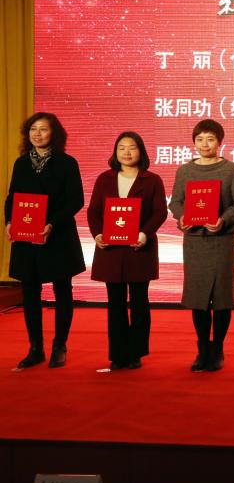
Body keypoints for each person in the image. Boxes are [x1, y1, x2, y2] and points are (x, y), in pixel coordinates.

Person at [3, 113, 85, 369]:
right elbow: (12, 197)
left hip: (57, 235)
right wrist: (9, 221)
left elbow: (76, 200)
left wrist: (52, 223)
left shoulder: (67, 163)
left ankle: (60, 345)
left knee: (62, 289)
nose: (37, 134)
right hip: (27, 236)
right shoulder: (21, 163)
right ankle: (35, 348)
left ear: (54, 133)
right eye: (33, 129)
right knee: (30, 291)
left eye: (43, 129)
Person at [168, 119, 234, 372]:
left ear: (220, 142)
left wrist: (223, 219)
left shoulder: (231, 170)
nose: (205, 144)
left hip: (222, 240)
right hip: (195, 242)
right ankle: (203, 348)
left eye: (210, 139)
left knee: (221, 297)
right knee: (199, 297)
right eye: (200, 139)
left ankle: (218, 348)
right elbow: (175, 202)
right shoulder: (185, 171)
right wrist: (182, 216)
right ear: (194, 142)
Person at [86, 131, 168, 370]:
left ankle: (136, 353)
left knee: (140, 302)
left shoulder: (151, 180)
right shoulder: (105, 179)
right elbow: (93, 211)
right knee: (115, 303)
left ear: (141, 151)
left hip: (139, 249)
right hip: (110, 250)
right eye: (121, 147)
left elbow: (160, 212)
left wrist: (144, 234)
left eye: (132, 147)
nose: (127, 152)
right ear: (115, 152)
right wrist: (97, 234)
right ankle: (118, 354)